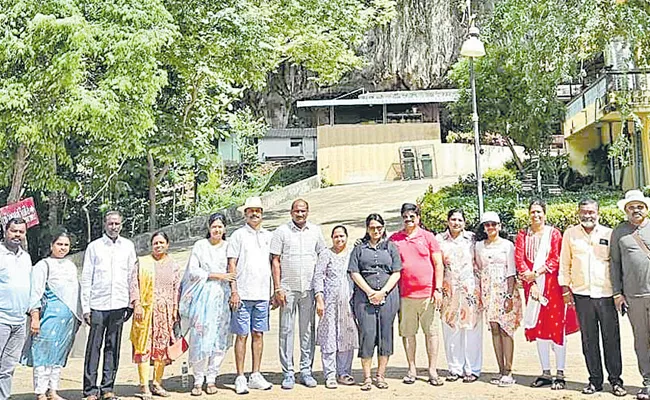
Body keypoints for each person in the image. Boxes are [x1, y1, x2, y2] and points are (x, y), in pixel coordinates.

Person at [560, 199, 625, 397]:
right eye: (584, 212)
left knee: (611, 339)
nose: (587, 215)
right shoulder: (570, 234)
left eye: (591, 212)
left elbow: (617, 264)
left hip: (606, 294)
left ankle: (615, 380)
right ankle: (594, 381)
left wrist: (619, 292)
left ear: (598, 213)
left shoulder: (609, 233)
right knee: (588, 340)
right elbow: (565, 263)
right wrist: (565, 289)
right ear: (578, 213)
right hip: (582, 295)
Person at [515, 200, 579, 391]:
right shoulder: (522, 235)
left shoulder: (553, 234)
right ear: (528, 214)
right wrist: (532, 282)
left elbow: (556, 258)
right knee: (539, 327)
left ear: (545, 214)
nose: (536, 215)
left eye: (539, 212)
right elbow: (520, 259)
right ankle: (545, 372)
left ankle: (560, 373)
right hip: (532, 289)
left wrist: (537, 273)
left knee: (556, 328)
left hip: (552, 287)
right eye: (533, 212)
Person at [81, 211, 138, 400]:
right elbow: (87, 277)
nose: (114, 227)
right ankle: (90, 390)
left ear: (122, 225)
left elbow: (132, 276)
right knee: (94, 348)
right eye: (111, 223)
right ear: (105, 224)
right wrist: (86, 307)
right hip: (98, 304)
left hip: (120, 304)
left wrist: (132, 302)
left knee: (113, 347)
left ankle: (107, 388)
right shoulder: (94, 247)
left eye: (117, 223)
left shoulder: (128, 246)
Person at [270, 199, 326, 389]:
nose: (300, 214)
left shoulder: (316, 231)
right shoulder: (281, 232)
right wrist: (277, 288)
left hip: (308, 289)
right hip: (287, 289)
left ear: (308, 212)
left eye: (303, 211)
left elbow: (323, 256)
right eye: (296, 211)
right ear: (291, 212)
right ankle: (287, 373)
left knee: (307, 330)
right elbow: (275, 261)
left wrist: (320, 289)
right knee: (286, 330)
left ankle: (306, 370)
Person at [389, 203, 445, 385]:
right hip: (405, 295)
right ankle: (411, 368)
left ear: (418, 217)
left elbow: (438, 264)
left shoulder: (428, 237)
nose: (409, 219)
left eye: (412, 215)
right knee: (408, 334)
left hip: (428, 295)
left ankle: (432, 370)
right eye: (405, 216)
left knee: (431, 333)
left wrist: (438, 289)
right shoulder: (395, 239)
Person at [179, 213, 235, 396]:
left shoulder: (229, 247)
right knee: (200, 337)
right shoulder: (200, 246)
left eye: (220, 226)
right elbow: (193, 271)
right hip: (202, 297)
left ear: (224, 229)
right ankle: (197, 380)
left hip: (222, 299)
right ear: (209, 228)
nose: (217, 230)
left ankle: (211, 378)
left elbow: (234, 271)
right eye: (214, 226)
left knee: (219, 337)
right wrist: (216, 275)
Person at [23, 231, 82, 400]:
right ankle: (40, 392)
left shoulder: (70, 266)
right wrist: (35, 317)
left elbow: (75, 293)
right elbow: (35, 293)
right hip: (48, 317)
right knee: (43, 353)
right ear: (51, 246)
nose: (62, 248)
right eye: (59, 244)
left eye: (66, 245)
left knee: (58, 355)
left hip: (68, 319)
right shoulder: (43, 265)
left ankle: (53, 391)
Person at [348, 213, 402, 391]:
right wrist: (370, 292)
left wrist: (383, 291)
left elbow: (396, 272)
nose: (376, 231)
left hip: (389, 297)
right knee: (367, 334)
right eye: (372, 227)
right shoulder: (359, 248)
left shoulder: (391, 247)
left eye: (379, 227)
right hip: (364, 298)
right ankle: (367, 377)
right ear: (367, 228)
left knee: (385, 334)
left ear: (383, 228)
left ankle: (381, 375)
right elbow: (354, 272)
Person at [227, 197, 274, 394]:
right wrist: (234, 291)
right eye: (251, 210)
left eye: (258, 210)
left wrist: (274, 291)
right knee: (242, 335)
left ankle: (255, 374)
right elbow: (232, 264)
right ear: (245, 213)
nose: (255, 213)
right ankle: (240, 376)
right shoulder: (238, 235)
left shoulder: (268, 236)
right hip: (242, 294)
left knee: (258, 334)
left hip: (262, 294)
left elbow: (274, 263)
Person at [129, 231, 181, 398]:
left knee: (161, 348)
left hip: (164, 314)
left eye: (161, 243)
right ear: (151, 245)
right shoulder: (142, 263)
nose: (158, 246)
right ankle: (143, 385)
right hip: (144, 312)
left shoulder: (173, 265)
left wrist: (174, 310)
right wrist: (136, 304)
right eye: (155, 243)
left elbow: (176, 289)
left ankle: (157, 383)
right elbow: (134, 284)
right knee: (143, 346)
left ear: (168, 244)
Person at [610, 189, 650, 400]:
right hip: (633, 297)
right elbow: (614, 264)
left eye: (640, 206)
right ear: (626, 210)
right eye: (631, 207)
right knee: (641, 341)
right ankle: (648, 382)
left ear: (646, 208)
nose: (636, 210)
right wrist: (617, 293)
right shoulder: (619, 232)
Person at [475, 212, 522, 387]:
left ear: (500, 226)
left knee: (506, 330)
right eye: (487, 225)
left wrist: (509, 296)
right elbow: (480, 268)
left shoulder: (508, 245)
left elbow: (511, 272)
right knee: (494, 328)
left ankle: (508, 371)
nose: (491, 228)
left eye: (493, 224)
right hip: (489, 291)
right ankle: (500, 369)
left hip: (505, 291)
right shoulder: (479, 246)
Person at [436, 209, 482, 383]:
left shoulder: (472, 239)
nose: (456, 223)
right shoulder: (439, 240)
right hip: (449, 291)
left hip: (470, 290)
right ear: (447, 221)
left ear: (465, 222)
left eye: (459, 220)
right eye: (453, 219)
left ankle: (472, 368)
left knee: (472, 329)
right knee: (451, 329)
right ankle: (454, 368)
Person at [312, 225, 358, 389]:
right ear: (332, 238)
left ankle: (344, 372)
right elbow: (318, 276)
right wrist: (319, 298)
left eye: (342, 236)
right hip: (329, 304)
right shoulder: (326, 254)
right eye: (336, 236)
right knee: (329, 337)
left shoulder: (352, 253)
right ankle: (330, 374)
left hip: (348, 303)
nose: (339, 239)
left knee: (346, 337)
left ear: (347, 237)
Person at [0, 218, 33, 400]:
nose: (17, 235)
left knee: (8, 366)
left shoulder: (26, 257)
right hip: (1, 319)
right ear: (6, 231)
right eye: (14, 231)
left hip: (19, 322)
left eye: (21, 232)